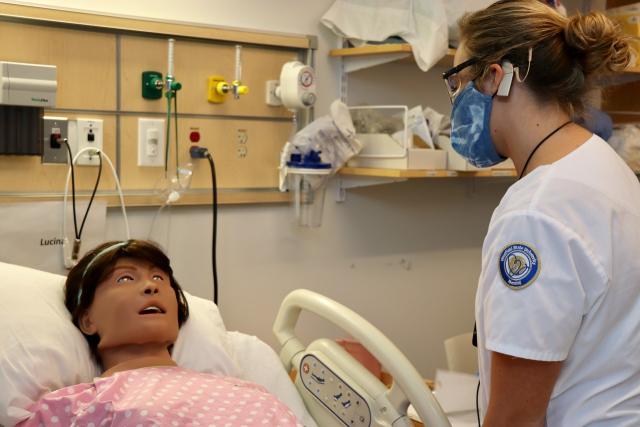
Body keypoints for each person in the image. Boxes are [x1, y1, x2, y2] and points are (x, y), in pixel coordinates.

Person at [442, 0, 640, 425]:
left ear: (496, 77)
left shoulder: (537, 214)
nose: (455, 104)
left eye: (458, 84)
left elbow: (517, 418)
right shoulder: (602, 164)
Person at [18, 239, 302, 427]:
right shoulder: (72, 408)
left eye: (159, 278)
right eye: (125, 278)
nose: (151, 287)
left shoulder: (249, 391)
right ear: (87, 319)